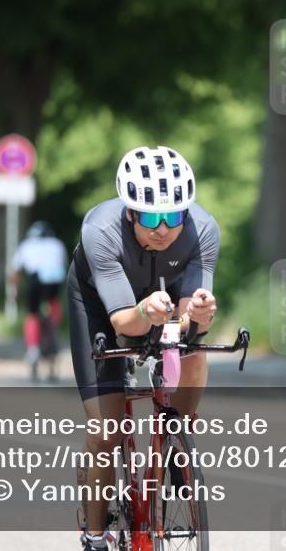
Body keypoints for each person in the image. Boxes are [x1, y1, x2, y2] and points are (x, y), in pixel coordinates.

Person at [68, 145, 219, 551]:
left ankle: (176, 441)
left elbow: (188, 318)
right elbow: (123, 325)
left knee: (194, 346)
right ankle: (95, 535)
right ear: (130, 211)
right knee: (107, 432)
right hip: (102, 306)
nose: (164, 228)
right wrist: (146, 312)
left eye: (174, 215)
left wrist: (199, 316)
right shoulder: (100, 229)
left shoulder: (203, 229)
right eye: (152, 216)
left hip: (160, 301)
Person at [10, 221, 68, 368]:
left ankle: (33, 349)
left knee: (33, 314)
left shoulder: (26, 245)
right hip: (55, 279)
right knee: (53, 301)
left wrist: (13, 293)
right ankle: (54, 330)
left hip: (35, 279)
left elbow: (16, 272)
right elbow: (64, 265)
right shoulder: (58, 244)